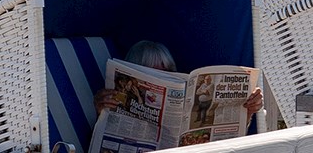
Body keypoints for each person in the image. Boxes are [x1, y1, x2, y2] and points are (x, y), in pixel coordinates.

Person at [97, 41, 264, 121]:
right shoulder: (115, 100)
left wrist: (247, 111)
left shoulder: (187, 102)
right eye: (152, 72)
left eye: (168, 71)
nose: (161, 76)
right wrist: (101, 113)